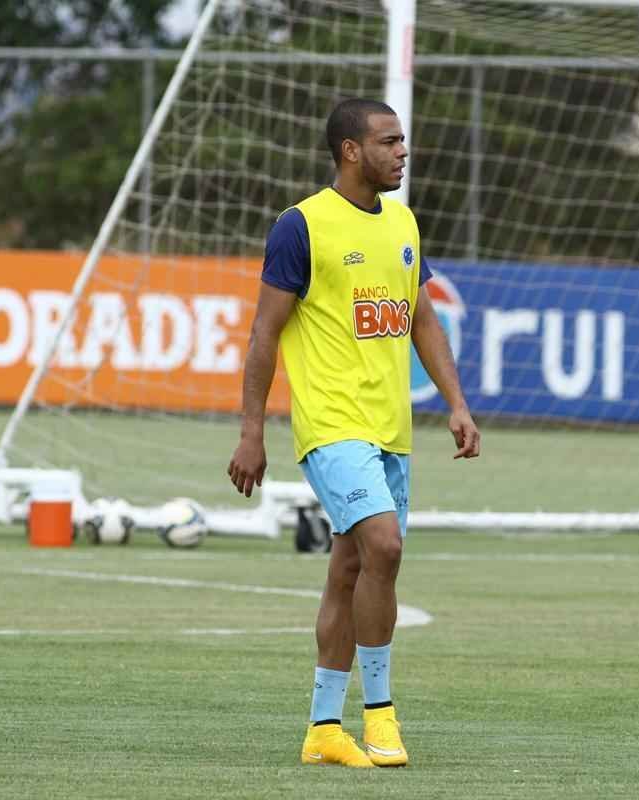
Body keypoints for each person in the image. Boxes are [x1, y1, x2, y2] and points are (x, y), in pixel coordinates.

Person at [227, 98, 481, 768]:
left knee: (350, 568)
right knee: (384, 547)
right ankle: (381, 716)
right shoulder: (301, 227)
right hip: (331, 425)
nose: (402, 152)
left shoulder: (402, 222)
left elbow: (423, 318)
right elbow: (264, 334)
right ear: (350, 150)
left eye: (403, 141)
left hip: (390, 429)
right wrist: (251, 432)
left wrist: (456, 402)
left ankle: (321, 730)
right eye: (389, 141)